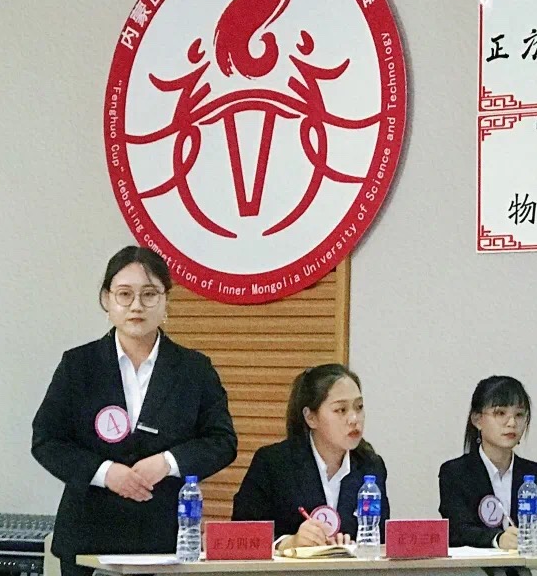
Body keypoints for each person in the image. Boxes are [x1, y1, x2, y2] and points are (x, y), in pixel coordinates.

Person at [31, 246, 237, 576]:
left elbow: (222, 442)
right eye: (124, 294)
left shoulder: (194, 369)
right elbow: (47, 441)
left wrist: (167, 463)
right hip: (88, 536)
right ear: (106, 300)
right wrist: (104, 473)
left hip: (164, 537)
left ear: (166, 301)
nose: (137, 306)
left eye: (149, 294)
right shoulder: (78, 365)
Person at [232, 364, 390, 550]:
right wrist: (287, 542)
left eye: (359, 407)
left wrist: (354, 546)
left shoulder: (370, 466)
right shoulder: (273, 463)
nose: (354, 419)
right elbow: (240, 535)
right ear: (310, 418)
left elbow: (381, 538)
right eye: (341, 410)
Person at [438, 376, 537, 549]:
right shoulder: (455, 472)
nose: (512, 423)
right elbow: (457, 531)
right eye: (500, 413)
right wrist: (497, 539)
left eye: (519, 415)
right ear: (477, 420)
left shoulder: (535, 473)